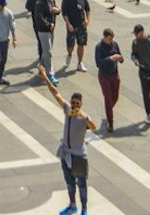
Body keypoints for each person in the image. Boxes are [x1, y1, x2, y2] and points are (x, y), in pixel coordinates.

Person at [39, 70, 95, 214]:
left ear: (81, 104)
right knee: (70, 183)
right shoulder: (67, 110)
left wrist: (84, 117)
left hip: (78, 156)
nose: (75, 105)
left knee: (81, 184)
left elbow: (93, 126)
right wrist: (45, 77)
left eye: (77, 103)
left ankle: (84, 209)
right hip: (65, 152)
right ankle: (72, 205)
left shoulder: (83, 117)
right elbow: (55, 93)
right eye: (73, 102)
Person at [94, 28, 124, 131]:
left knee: (115, 97)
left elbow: (121, 57)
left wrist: (120, 58)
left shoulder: (114, 44)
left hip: (114, 74)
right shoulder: (99, 47)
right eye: (109, 39)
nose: (111, 41)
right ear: (104, 37)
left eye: (112, 39)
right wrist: (110, 59)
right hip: (104, 76)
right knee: (108, 98)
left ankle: (108, 111)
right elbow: (98, 63)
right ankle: (110, 122)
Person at [61, 0, 91, 73]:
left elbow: (87, 9)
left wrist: (87, 19)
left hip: (81, 25)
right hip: (72, 25)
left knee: (81, 44)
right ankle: (69, 54)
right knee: (70, 45)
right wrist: (68, 24)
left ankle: (80, 62)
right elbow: (64, 13)